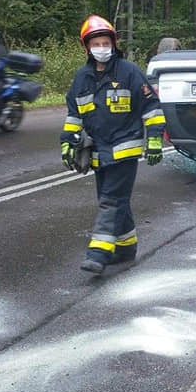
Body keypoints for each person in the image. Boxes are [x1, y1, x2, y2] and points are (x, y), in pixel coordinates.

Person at [61, 15, 166, 275]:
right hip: (98, 151)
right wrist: (68, 142)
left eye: (105, 43)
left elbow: (151, 107)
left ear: (113, 44)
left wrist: (154, 139)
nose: (101, 48)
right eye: (96, 44)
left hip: (124, 149)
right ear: (87, 47)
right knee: (116, 201)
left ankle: (98, 253)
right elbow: (74, 115)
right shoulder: (82, 78)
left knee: (111, 200)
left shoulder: (129, 72)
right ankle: (126, 247)